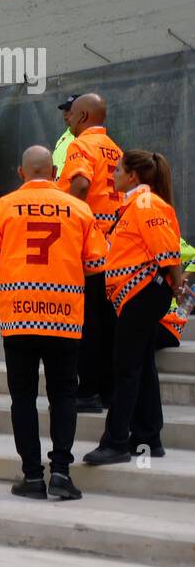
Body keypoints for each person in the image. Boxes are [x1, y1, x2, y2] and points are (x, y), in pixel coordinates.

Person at [0, 146, 106, 499]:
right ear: (55, 169)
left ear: (20, 172)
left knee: (23, 399)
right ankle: (61, 472)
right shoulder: (79, 208)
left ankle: (32, 476)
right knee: (63, 396)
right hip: (64, 318)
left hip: (19, 318)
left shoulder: (1, 208)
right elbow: (96, 263)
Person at [84, 150, 183, 465]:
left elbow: (168, 250)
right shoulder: (133, 206)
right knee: (140, 365)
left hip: (144, 293)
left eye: (117, 171)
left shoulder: (146, 203)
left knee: (125, 367)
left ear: (132, 176)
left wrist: (178, 286)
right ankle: (148, 437)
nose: (112, 176)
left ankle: (116, 441)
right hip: (136, 295)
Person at [57, 93, 123, 413]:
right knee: (108, 321)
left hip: (88, 246)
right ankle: (109, 391)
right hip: (114, 248)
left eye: (70, 114)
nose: (66, 118)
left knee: (86, 322)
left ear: (82, 117)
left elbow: (80, 186)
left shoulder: (80, 146)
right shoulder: (117, 150)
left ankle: (88, 392)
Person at [51, 95, 78, 178]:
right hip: (56, 189)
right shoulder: (64, 136)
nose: (65, 114)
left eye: (69, 110)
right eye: (64, 110)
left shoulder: (85, 136)